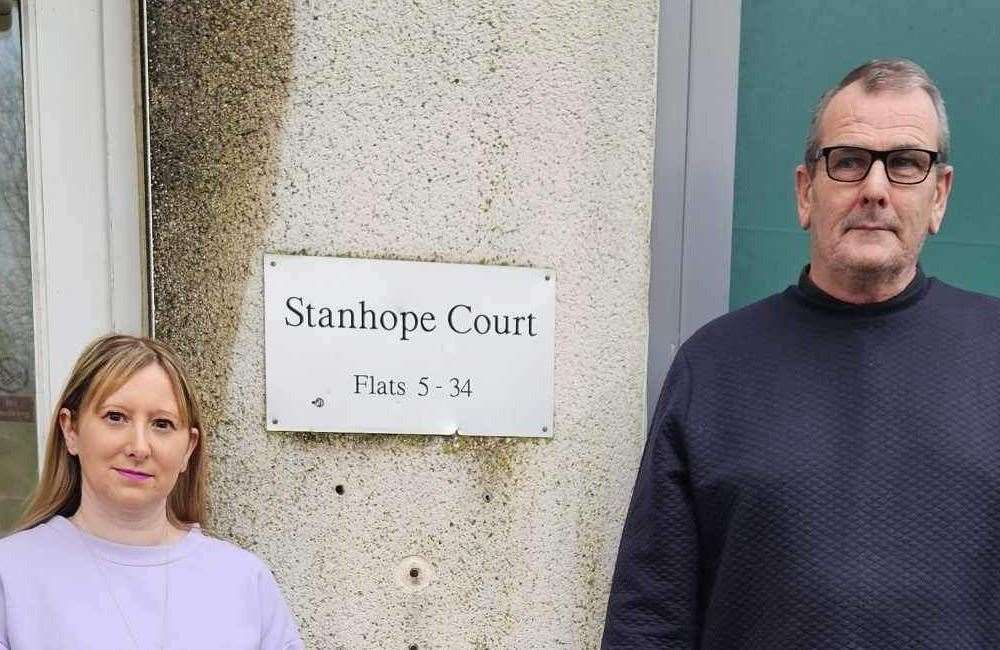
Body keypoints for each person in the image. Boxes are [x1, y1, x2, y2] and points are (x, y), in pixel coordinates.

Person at [603, 58, 1000, 648]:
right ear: (804, 191)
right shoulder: (714, 366)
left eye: (906, 164)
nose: (874, 189)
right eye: (847, 161)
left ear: (939, 195)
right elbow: (651, 615)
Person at [0, 334, 304, 649]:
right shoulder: (12, 576)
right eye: (115, 417)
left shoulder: (244, 581)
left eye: (162, 424)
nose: (139, 447)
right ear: (70, 429)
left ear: (188, 448)